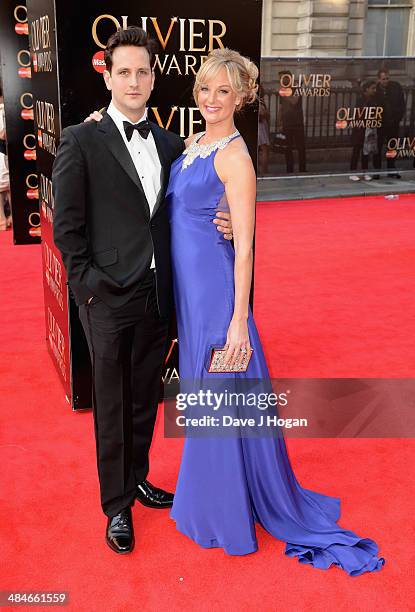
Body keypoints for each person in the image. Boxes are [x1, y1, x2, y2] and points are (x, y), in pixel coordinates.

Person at [165, 48, 385, 576]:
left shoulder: (236, 159)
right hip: (189, 298)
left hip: (218, 299)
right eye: (204, 89)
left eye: (224, 91)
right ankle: (223, 494)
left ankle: (219, 512)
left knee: (218, 396)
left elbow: (244, 246)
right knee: (205, 393)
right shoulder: (193, 144)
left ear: (241, 97)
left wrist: (239, 319)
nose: (212, 100)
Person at [52, 26, 233, 555]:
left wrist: (223, 218)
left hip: (159, 295)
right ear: (108, 76)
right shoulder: (80, 139)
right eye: (123, 71)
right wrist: (88, 287)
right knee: (111, 404)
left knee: (143, 401)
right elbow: (67, 228)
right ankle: (116, 507)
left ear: (154, 80)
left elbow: (195, 204)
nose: (133, 80)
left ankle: (137, 479)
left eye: (142, 72)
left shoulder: (173, 144)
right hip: (106, 296)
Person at [376, 68, 405, 179]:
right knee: (377, 148)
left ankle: (391, 169)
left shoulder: (396, 87)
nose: (386, 81)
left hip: (393, 122)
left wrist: (397, 118)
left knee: (392, 147)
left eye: (387, 78)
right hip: (380, 124)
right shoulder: (375, 90)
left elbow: (401, 103)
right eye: (383, 79)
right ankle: (376, 171)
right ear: (379, 79)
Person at [349, 80, 381, 182]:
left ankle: (364, 172)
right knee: (356, 150)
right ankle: (352, 172)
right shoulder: (360, 100)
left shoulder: (374, 100)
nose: (374, 90)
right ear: (366, 89)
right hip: (360, 128)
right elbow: (358, 114)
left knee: (366, 151)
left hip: (368, 128)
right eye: (372, 88)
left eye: (375, 88)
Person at [277, 70, 306, 173]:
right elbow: (281, 107)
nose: (281, 80)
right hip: (287, 123)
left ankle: (302, 170)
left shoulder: (296, 88)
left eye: (283, 78)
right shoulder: (283, 90)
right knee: (287, 148)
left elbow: (295, 101)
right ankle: (290, 170)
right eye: (280, 78)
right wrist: (279, 122)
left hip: (297, 123)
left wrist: (285, 93)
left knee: (300, 147)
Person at [0, 84, 11, 231]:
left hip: (7, 150)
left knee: (10, 184)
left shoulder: (5, 108)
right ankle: (2, 221)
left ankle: (11, 219)